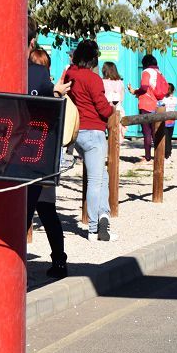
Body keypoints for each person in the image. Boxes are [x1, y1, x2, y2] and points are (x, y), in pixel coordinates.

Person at [63, 40, 117, 242]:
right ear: (93, 58)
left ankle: (104, 216)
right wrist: (112, 109)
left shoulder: (70, 74)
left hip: (76, 132)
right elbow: (102, 108)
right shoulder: (94, 79)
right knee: (96, 180)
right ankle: (94, 228)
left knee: (102, 175)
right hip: (94, 132)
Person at [26, 20, 71, 263]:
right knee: (45, 209)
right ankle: (59, 259)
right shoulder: (45, 82)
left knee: (29, 211)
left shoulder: (32, 76)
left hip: (31, 157)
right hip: (42, 158)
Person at [128, 54, 165, 163]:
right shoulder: (158, 72)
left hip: (146, 104)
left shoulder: (146, 72)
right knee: (155, 131)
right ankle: (159, 154)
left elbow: (144, 87)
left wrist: (134, 91)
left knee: (147, 132)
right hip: (156, 104)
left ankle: (147, 156)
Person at [101, 61, 126, 138]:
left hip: (105, 109)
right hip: (118, 108)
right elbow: (121, 98)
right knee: (116, 135)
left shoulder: (103, 82)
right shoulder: (120, 82)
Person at [156, 83, 177, 160]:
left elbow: (158, 105)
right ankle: (169, 153)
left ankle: (166, 154)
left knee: (165, 138)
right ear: (173, 90)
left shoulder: (163, 99)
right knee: (169, 137)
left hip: (165, 121)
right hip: (172, 120)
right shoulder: (175, 99)